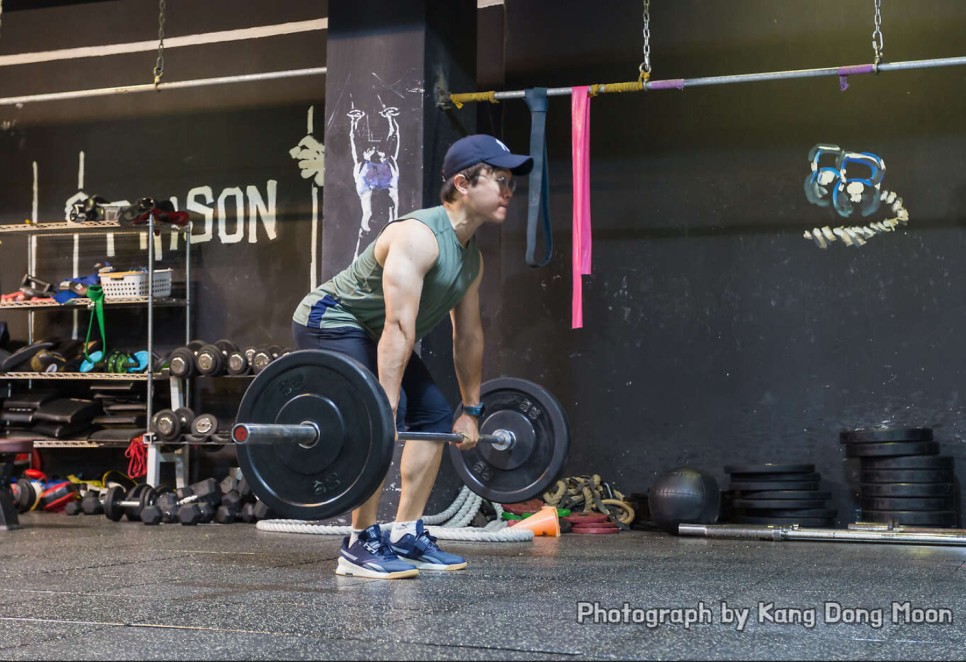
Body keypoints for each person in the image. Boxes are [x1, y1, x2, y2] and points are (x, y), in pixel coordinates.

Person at [292, 134, 533, 579]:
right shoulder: (416, 236)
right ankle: (359, 542)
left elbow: (469, 336)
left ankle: (404, 533)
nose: (507, 190)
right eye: (497, 179)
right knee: (381, 417)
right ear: (462, 183)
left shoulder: (470, 258)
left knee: (435, 417)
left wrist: (473, 410)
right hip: (331, 320)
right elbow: (399, 328)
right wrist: (382, 405)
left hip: (373, 332)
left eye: (510, 182)